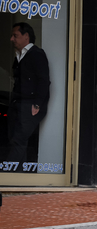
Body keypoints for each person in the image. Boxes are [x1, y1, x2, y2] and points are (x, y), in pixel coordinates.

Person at [7, 22, 50, 166]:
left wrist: (37, 103)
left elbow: (44, 81)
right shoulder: (19, 55)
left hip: (29, 105)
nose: (12, 39)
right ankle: (19, 175)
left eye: (15, 36)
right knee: (16, 139)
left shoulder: (36, 54)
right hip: (18, 103)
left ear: (26, 36)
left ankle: (8, 174)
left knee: (18, 140)